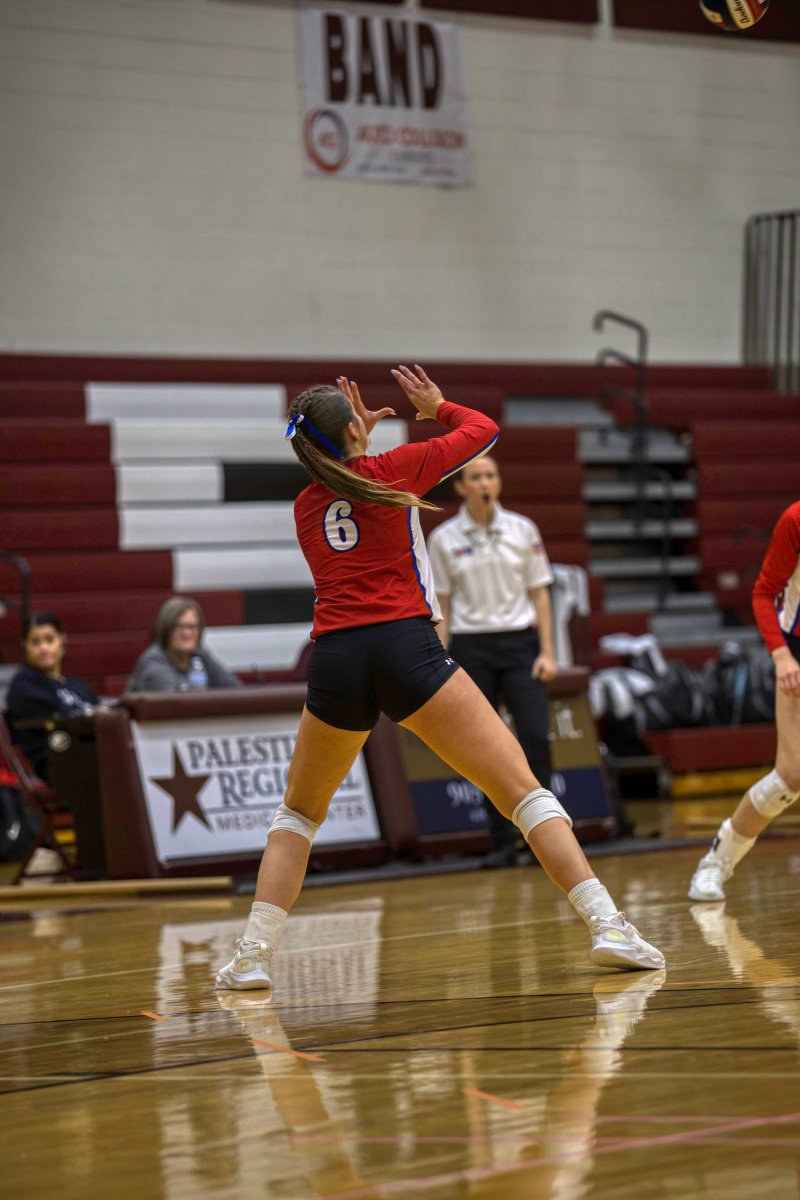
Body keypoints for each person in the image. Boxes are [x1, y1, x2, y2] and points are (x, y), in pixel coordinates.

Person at [215, 365, 664, 991]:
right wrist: (437, 406)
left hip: (337, 659)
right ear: (354, 429)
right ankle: (608, 926)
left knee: (298, 815)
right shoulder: (395, 470)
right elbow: (483, 430)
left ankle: (252, 958)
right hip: (406, 649)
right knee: (522, 792)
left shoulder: (305, 504)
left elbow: (345, 480)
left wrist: (354, 440)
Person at [427, 456, 557, 867]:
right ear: (460, 487)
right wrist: (440, 659)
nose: (485, 483)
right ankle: (501, 841)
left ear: (498, 482)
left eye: (490, 476)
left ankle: (544, 838)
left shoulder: (523, 529)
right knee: (482, 748)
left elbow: (540, 594)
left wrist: (548, 651)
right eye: (476, 477)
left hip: (520, 645)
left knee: (534, 737)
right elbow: (442, 604)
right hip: (471, 648)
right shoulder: (443, 538)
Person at [689, 500, 800, 901]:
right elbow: (763, 592)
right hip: (797, 654)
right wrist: (781, 656)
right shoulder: (795, 519)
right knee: (791, 777)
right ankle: (717, 861)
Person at [5, 611, 99, 781]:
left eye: (49, 639)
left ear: (62, 640)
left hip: (91, 756)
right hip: (56, 764)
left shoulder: (78, 685)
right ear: (24, 645)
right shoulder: (24, 685)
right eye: (35, 642)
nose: (43, 648)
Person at [127, 597, 240, 693]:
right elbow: (170, 706)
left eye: (192, 627)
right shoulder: (154, 662)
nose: (187, 633)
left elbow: (236, 690)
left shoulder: (199, 655)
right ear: (166, 629)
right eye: (179, 627)